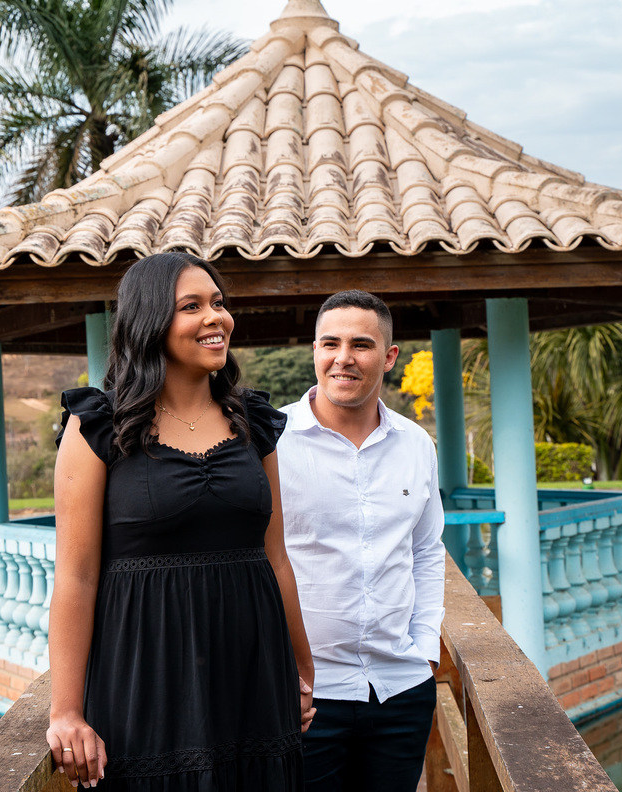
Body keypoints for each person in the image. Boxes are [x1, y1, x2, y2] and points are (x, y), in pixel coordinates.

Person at [46, 252, 316, 790]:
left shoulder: (253, 422)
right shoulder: (99, 426)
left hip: (252, 673)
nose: (215, 318)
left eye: (218, 303)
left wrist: (302, 669)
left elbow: (276, 557)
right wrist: (66, 712)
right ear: (149, 323)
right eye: (191, 306)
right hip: (145, 673)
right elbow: (76, 577)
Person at [276, 290, 445, 792]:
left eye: (361, 345)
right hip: (304, 695)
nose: (343, 358)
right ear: (314, 351)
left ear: (389, 356)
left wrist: (426, 649)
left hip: (400, 689)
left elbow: (426, 551)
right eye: (330, 343)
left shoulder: (416, 444)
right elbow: (254, 558)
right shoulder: (271, 441)